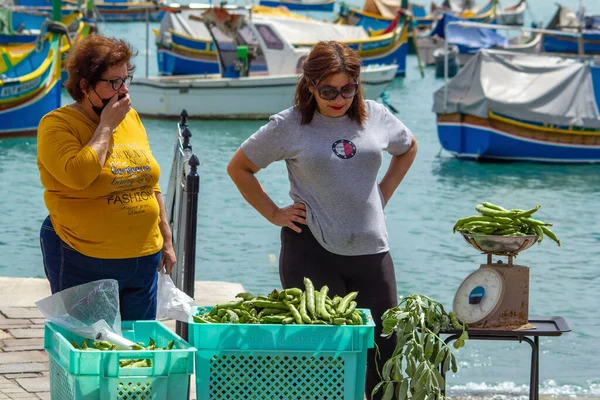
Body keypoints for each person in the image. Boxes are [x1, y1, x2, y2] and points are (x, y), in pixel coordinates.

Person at [227, 41, 418, 398]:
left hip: (372, 251)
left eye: (348, 88)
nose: (339, 98)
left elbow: (408, 148)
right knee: (321, 362)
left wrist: (383, 193)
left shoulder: (376, 115)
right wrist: (273, 213)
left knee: (385, 354)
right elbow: (239, 168)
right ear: (310, 84)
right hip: (311, 252)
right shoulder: (290, 125)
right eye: (328, 90)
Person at [37, 34, 175, 321]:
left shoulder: (131, 118)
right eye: (113, 82)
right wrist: (106, 126)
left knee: (137, 351)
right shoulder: (57, 125)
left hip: (142, 260)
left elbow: (149, 180)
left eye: (126, 80)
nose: (123, 90)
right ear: (85, 86)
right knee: (91, 347)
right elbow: (79, 174)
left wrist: (166, 235)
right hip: (84, 258)